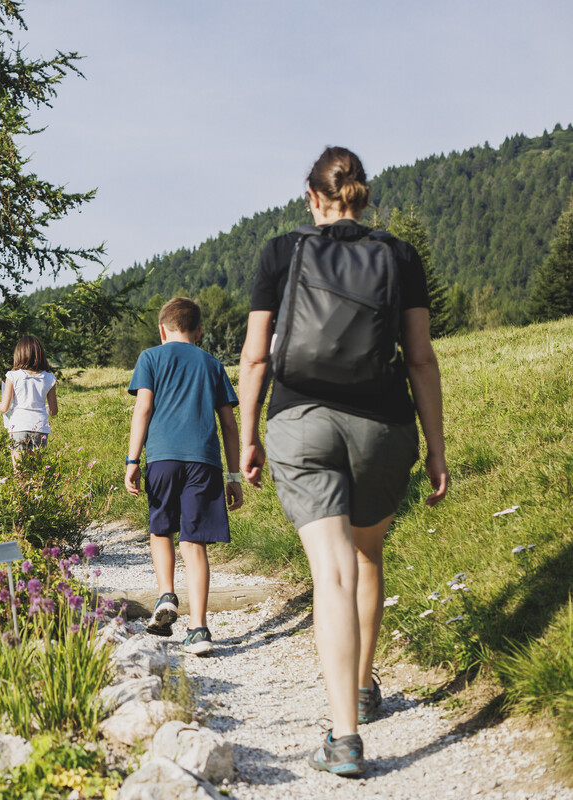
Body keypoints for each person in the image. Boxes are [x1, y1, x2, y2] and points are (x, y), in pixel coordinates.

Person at [238, 146, 449, 777]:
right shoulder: (398, 255)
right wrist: (437, 448)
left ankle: (345, 738)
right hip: (382, 426)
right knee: (365, 555)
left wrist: (246, 436)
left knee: (330, 572)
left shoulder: (281, 251)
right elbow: (420, 358)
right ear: (361, 194)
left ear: (312, 197)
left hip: (300, 423)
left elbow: (255, 356)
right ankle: (361, 687)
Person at [124, 297, 243, 655]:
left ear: (162, 330)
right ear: (200, 331)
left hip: (162, 458)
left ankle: (166, 595)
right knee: (194, 543)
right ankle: (199, 629)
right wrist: (234, 475)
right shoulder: (213, 364)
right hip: (204, 462)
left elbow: (143, 408)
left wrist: (132, 460)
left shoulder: (150, 357)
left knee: (161, 529)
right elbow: (229, 425)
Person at [0, 335, 58, 467]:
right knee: (37, 469)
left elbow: (5, 407)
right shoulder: (49, 378)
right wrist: (44, 408)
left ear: (19, 354)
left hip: (18, 427)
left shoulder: (13, 376)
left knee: (19, 470)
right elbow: (53, 411)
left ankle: (20, 481)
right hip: (40, 428)